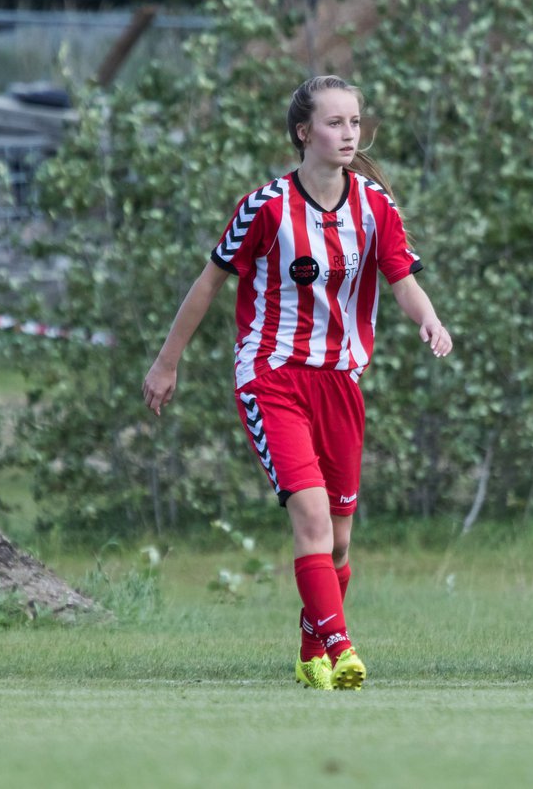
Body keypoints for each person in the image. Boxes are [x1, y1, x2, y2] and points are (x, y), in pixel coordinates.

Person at [142, 75, 453, 690]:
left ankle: (310, 651)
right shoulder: (267, 207)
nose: (348, 134)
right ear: (303, 132)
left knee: (337, 543)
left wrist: (430, 318)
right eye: (335, 123)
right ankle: (341, 650)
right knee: (310, 518)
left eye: (355, 123)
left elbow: (402, 278)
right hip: (272, 376)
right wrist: (166, 361)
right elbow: (209, 282)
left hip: (340, 383)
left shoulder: (373, 206)